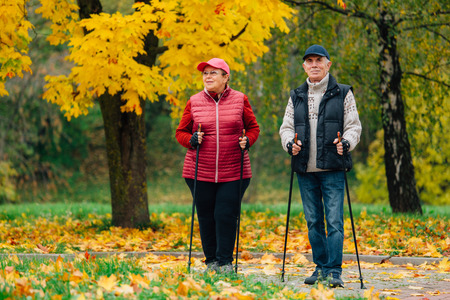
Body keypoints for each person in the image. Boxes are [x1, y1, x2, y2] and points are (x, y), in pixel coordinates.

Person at [279, 45, 362, 287]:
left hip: (333, 168)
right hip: (305, 168)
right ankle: (321, 266)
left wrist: (346, 142)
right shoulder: (296, 95)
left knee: (334, 220)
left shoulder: (343, 92)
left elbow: (354, 126)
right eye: (309, 61)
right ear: (304, 66)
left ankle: (334, 270)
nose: (314, 64)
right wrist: (289, 145)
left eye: (319, 60)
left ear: (328, 64)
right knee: (314, 221)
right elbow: (286, 128)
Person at [176, 58, 260, 273]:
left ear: (226, 77)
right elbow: (181, 132)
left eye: (214, 73)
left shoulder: (240, 99)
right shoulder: (194, 101)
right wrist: (191, 140)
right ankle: (211, 261)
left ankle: (225, 262)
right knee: (205, 215)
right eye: (205, 73)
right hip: (198, 170)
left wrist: (247, 140)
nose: (208, 77)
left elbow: (253, 128)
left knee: (225, 214)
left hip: (234, 169)